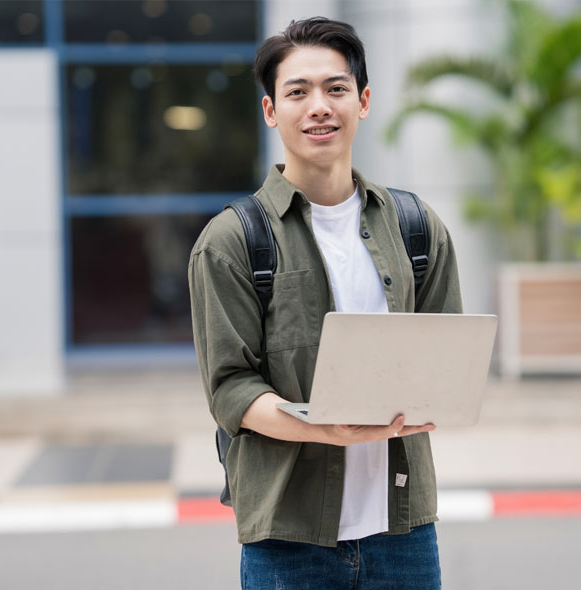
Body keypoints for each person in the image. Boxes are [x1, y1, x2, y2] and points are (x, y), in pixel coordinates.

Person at [188, 16, 461, 590]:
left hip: (404, 533)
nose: (319, 106)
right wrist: (323, 428)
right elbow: (231, 390)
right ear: (271, 111)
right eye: (297, 91)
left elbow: (446, 358)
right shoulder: (233, 241)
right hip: (289, 541)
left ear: (362, 102)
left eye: (336, 89)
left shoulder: (415, 227)